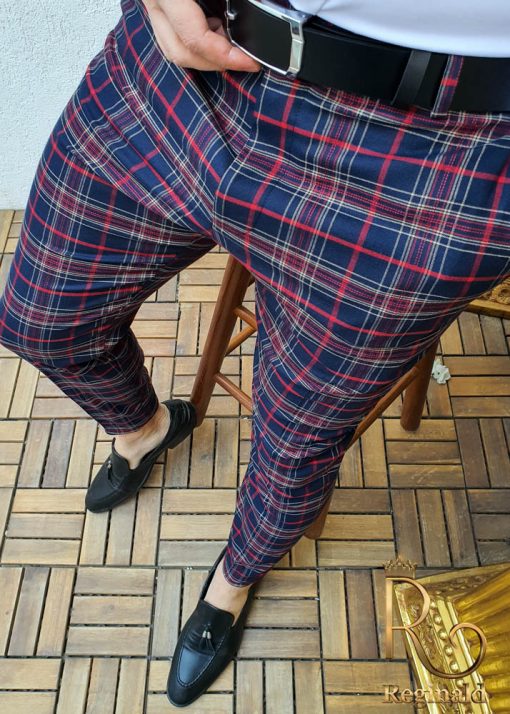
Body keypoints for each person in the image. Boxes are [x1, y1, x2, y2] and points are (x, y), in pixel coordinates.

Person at [1, 0, 510, 707]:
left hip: (442, 149)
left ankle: (233, 581)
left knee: (296, 439)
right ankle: (146, 429)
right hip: (207, 55)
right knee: (43, 320)